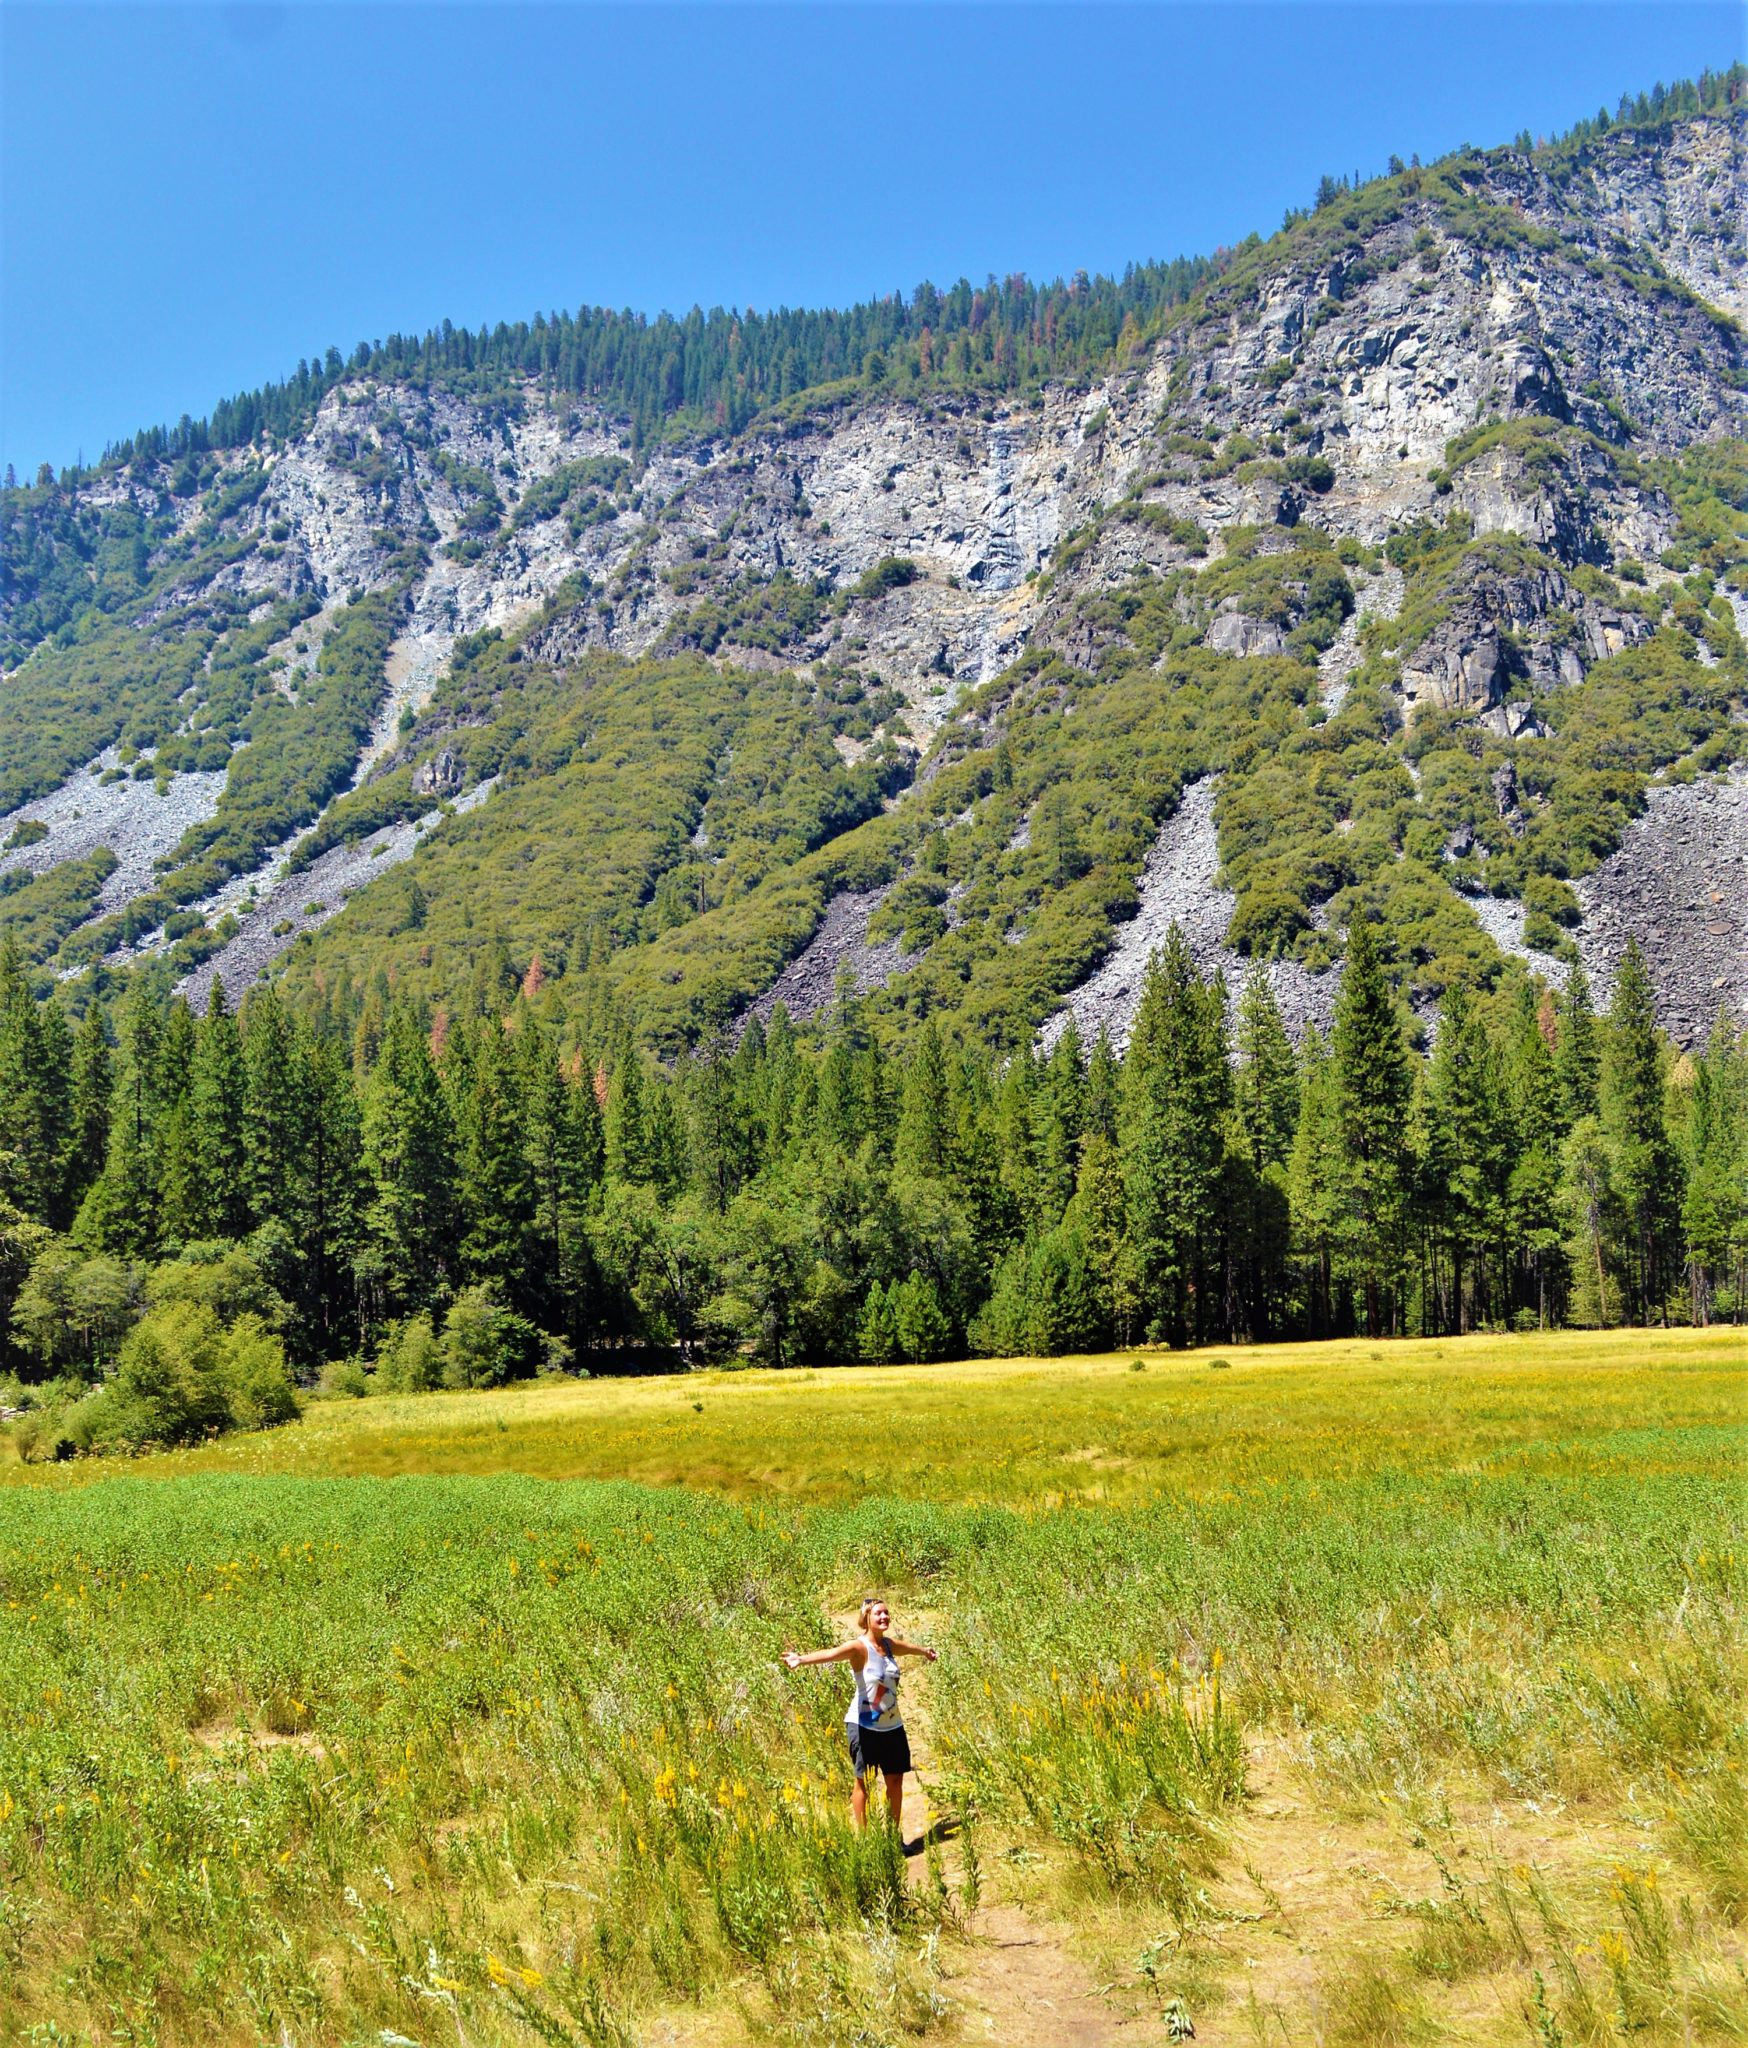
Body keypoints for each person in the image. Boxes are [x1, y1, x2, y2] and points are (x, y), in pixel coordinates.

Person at [782, 1595, 937, 1832]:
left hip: (893, 1725)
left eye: (886, 1613)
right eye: (878, 1614)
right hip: (863, 1726)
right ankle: (867, 1840)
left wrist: (924, 1651)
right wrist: (801, 1659)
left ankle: (892, 1838)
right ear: (867, 1618)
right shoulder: (858, 1647)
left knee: (895, 1780)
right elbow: (831, 1654)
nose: (884, 1617)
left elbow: (907, 1648)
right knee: (863, 1782)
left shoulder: (888, 1645)